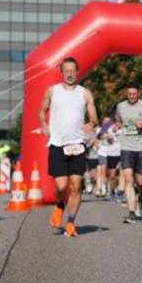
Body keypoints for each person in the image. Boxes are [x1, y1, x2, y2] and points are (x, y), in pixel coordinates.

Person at [39, 57, 99, 237]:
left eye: (73, 70)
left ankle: (71, 222)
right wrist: (43, 124)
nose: (70, 74)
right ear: (61, 72)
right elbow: (42, 110)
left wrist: (92, 124)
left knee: (76, 185)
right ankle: (59, 206)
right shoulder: (52, 91)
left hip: (78, 144)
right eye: (66, 70)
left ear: (77, 71)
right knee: (61, 186)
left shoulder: (85, 93)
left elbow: (94, 116)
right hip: (58, 143)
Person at [114, 83, 142, 222]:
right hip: (126, 147)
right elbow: (118, 121)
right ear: (126, 93)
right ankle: (131, 212)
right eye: (129, 94)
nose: (132, 96)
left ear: (139, 93)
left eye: (134, 94)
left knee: (140, 180)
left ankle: (141, 199)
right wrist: (116, 126)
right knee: (128, 178)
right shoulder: (120, 106)